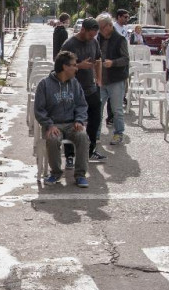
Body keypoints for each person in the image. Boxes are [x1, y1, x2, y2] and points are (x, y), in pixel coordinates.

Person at [34, 51, 90, 188]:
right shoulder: (44, 85)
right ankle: (56, 173)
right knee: (52, 139)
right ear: (65, 67)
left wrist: (79, 120)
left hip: (72, 124)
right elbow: (39, 109)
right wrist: (49, 125)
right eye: (74, 65)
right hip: (54, 124)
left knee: (83, 136)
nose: (76, 68)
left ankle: (80, 175)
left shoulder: (75, 84)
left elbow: (82, 105)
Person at [61, 17, 106, 166]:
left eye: (94, 34)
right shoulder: (70, 44)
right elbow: (60, 67)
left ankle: (90, 149)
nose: (92, 37)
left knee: (95, 120)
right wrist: (79, 66)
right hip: (72, 90)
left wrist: (99, 79)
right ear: (82, 30)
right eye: (90, 34)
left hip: (90, 88)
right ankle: (70, 154)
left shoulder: (94, 42)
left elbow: (98, 60)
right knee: (71, 122)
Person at [97, 14, 129, 145]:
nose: (100, 31)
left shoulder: (120, 39)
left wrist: (113, 63)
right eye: (99, 28)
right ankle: (95, 134)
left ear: (110, 26)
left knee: (117, 110)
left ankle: (118, 133)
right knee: (97, 109)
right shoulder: (98, 38)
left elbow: (126, 59)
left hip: (115, 80)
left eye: (102, 28)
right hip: (101, 80)